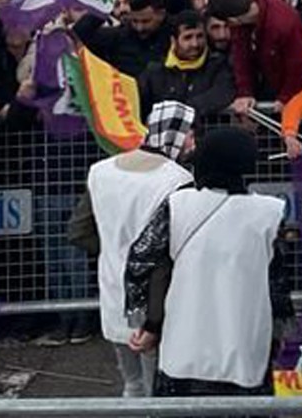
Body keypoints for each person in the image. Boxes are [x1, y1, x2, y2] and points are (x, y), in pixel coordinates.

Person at [123, 126, 289, 397]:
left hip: (184, 340)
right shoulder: (270, 212)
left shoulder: (178, 205)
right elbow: (277, 284)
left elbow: (143, 258)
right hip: (244, 340)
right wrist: (278, 332)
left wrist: (149, 322)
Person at [69, 100, 197, 398]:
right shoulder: (177, 180)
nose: (193, 141)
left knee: (131, 383)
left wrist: (113, 250)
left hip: (114, 287)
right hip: (157, 293)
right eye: (190, 133)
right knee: (156, 382)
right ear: (175, 134)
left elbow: (77, 231)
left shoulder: (101, 172)